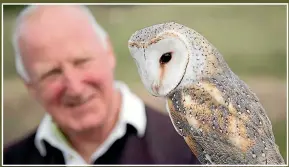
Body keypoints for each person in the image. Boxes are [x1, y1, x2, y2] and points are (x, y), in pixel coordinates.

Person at [3, 5, 200, 165]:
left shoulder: (190, 151)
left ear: (109, 53)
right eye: (51, 74)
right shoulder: (11, 161)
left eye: (82, 62)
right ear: (30, 87)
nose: (75, 88)